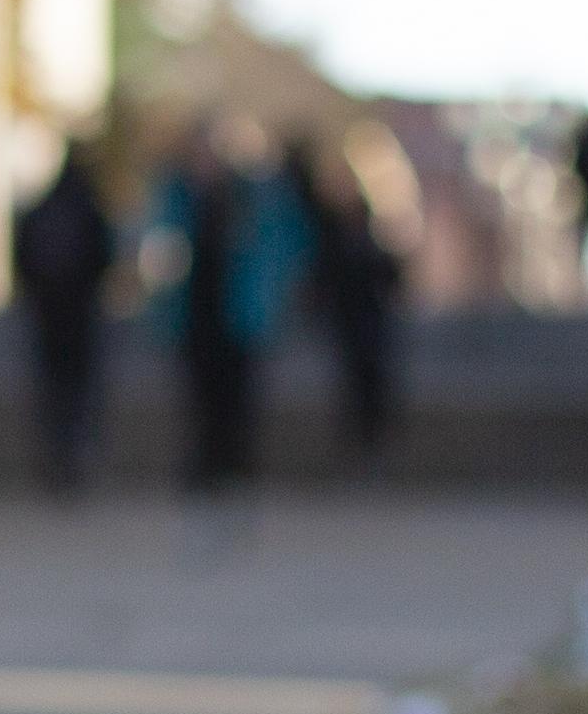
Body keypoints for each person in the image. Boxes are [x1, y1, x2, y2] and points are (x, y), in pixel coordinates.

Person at [157, 116, 303, 496]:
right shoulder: (180, 197)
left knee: (238, 397)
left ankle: (235, 466)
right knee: (198, 396)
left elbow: (284, 247)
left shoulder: (254, 198)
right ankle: (206, 465)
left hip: (238, 316)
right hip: (195, 317)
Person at [301, 127, 411, 477]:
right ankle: (354, 453)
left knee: (373, 386)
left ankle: (371, 450)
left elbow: (392, 277)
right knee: (347, 388)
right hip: (345, 321)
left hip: (370, 320)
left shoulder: (373, 226)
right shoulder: (328, 227)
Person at [12, 143, 119, 495]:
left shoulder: (45, 209)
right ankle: (72, 463)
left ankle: (56, 462)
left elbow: (23, 261)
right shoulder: (88, 210)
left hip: (49, 318)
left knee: (54, 396)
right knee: (79, 396)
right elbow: (105, 258)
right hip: (79, 319)